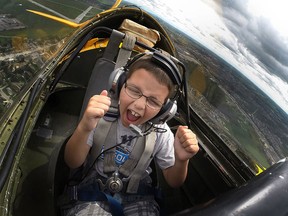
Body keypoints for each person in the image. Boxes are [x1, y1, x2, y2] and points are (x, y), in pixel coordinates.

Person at [63, 52, 199, 216]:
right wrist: (84, 127)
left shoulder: (161, 132)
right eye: (134, 90)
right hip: (94, 191)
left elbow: (173, 181)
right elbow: (72, 162)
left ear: (165, 110)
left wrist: (181, 160)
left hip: (139, 197)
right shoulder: (101, 115)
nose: (140, 105)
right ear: (120, 84)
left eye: (153, 101)